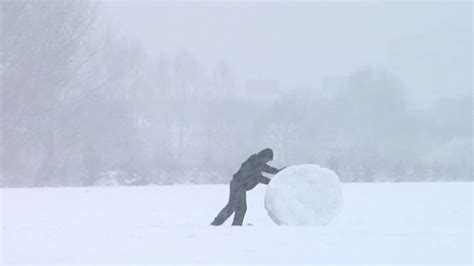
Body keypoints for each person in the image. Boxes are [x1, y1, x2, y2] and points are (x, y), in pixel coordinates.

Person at [211, 148, 284, 226]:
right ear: (264, 156)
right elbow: (258, 177)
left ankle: (234, 225)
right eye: (268, 159)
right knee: (235, 206)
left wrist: (280, 172)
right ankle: (219, 223)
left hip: (239, 185)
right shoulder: (254, 161)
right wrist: (272, 181)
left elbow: (269, 170)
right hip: (238, 185)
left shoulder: (257, 162)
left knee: (238, 207)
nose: (267, 161)